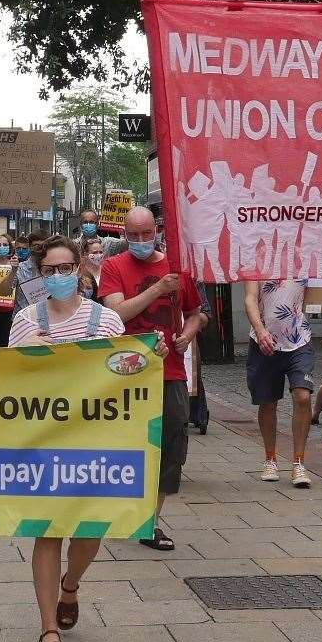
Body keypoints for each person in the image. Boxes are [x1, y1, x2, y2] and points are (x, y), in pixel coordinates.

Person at [7, 235, 168, 642]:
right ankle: (48, 628)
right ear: (39, 275)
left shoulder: (107, 321)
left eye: (64, 268)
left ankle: (71, 585)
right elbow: (6, 382)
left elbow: (127, 376)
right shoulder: (25, 320)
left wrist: (152, 358)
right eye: (48, 270)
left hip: (95, 444)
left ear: (80, 268)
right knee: (47, 531)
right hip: (43, 443)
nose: (58, 276)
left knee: (90, 530)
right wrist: (27, 357)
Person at [101, 206, 204, 551]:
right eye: (134, 235)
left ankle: (150, 522)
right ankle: (120, 512)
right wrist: (158, 288)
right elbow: (116, 312)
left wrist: (188, 334)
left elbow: (196, 314)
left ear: (158, 230)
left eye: (147, 234)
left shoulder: (179, 268)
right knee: (127, 445)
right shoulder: (115, 267)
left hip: (170, 370)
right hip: (127, 371)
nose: (142, 241)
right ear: (124, 235)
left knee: (171, 444)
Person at [244, 278, 322, 485]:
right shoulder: (258, 258)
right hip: (264, 340)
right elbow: (250, 299)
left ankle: (299, 463)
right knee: (268, 402)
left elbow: (319, 295)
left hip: (299, 340)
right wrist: (260, 330)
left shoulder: (303, 259)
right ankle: (270, 458)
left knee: (302, 396)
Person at [1, 232, 46, 313]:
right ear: (30, 247)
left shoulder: (55, 267)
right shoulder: (20, 268)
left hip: (51, 317)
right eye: (37, 246)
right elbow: (4, 292)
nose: (41, 249)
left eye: (44, 246)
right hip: (24, 318)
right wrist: (13, 271)